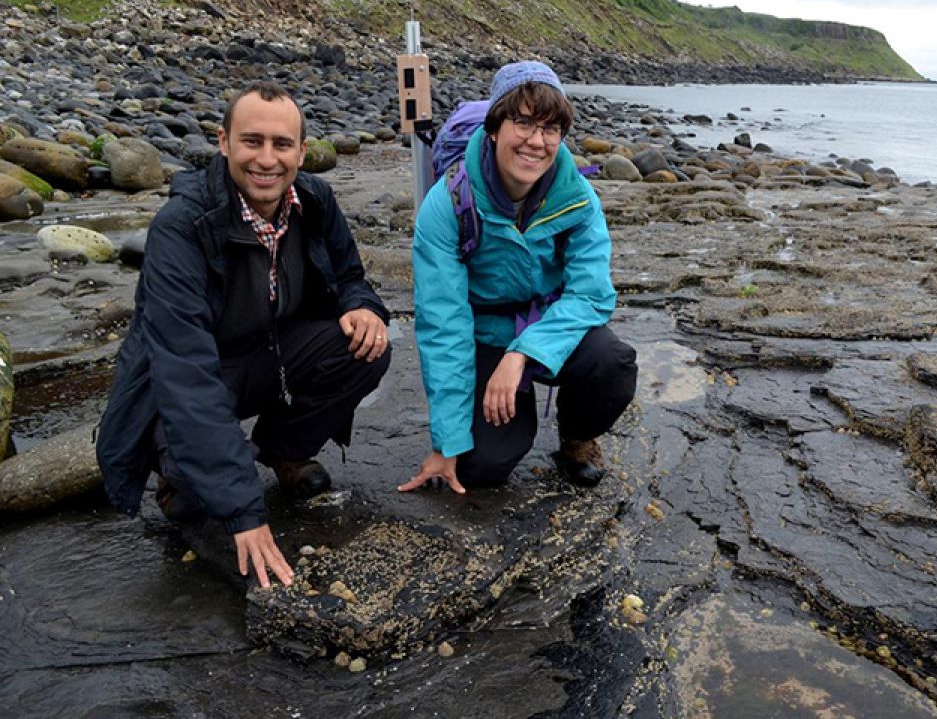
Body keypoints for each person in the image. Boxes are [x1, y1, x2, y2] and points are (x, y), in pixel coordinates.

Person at [96, 82, 391, 588]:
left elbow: (348, 276)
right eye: (252, 141)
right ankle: (175, 475)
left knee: (365, 349)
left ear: (302, 151)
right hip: (197, 374)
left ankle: (283, 450)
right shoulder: (183, 228)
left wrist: (363, 308)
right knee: (198, 498)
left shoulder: (315, 201)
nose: (266, 159)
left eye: (281, 145)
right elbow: (185, 374)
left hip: (272, 354)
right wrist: (244, 512)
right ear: (224, 142)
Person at [400, 61, 637, 495]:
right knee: (479, 469)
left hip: (550, 328)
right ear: (494, 127)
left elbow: (592, 297)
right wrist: (447, 442)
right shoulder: (448, 204)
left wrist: (523, 354)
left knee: (612, 362)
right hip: (484, 334)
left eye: (550, 129)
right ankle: (494, 419)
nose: (536, 141)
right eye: (523, 122)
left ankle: (576, 437)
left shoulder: (578, 200)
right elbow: (444, 324)